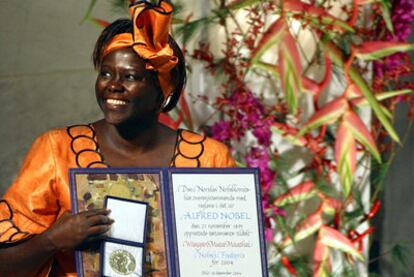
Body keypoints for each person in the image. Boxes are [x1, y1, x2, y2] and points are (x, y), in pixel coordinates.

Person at [0, 1, 235, 276]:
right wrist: (51, 241)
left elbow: (231, 256)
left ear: (162, 91)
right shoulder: (56, 150)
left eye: (131, 76)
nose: (113, 85)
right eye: (106, 73)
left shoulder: (209, 158)